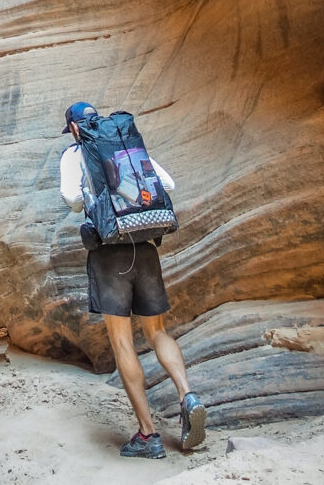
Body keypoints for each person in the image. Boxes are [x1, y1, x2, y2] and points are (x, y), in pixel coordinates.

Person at [59, 102, 206, 459]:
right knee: (157, 332)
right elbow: (166, 183)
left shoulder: (75, 153)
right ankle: (188, 394)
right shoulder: (128, 146)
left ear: (75, 128)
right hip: (146, 248)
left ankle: (148, 435)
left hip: (110, 254)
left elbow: (73, 200)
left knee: (123, 342)